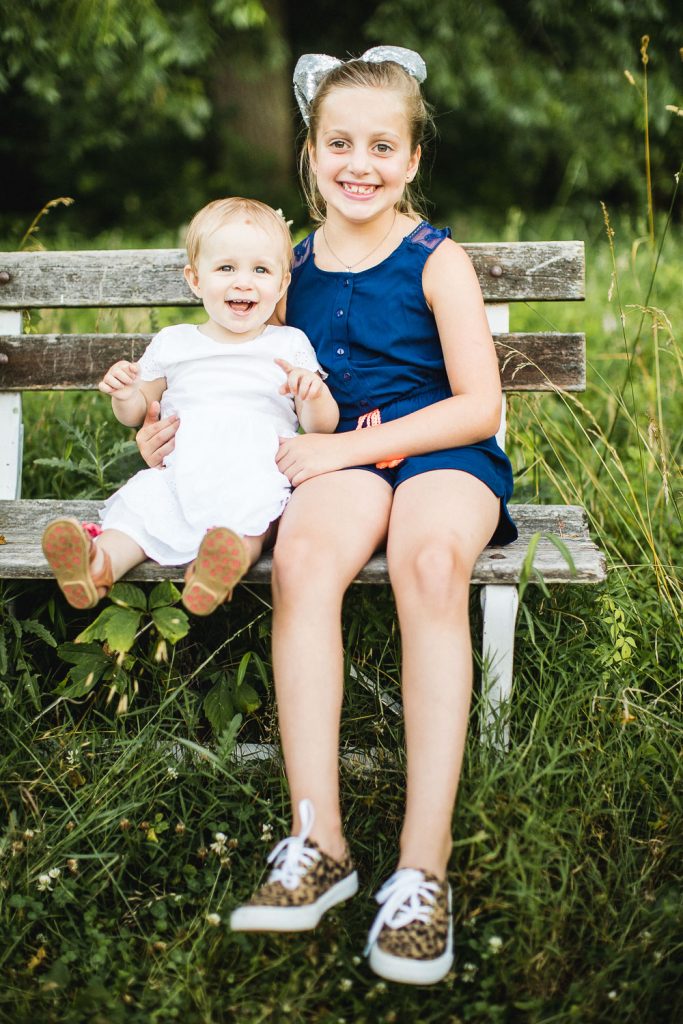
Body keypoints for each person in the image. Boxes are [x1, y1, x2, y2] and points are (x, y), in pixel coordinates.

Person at [136, 48, 517, 985]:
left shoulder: (437, 260)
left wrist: (350, 448)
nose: (360, 162)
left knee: (431, 564)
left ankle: (421, 872)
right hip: (328, 455)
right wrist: (164, 435)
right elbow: (223, 375)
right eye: (338, 142)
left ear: (412, 160)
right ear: (309, 154)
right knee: (304, 561)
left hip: (441, 454)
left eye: (382, 146)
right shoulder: (284, 266)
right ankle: (320, 840)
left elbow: (479, 405)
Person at [41, 197, 339, 615]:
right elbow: (135, 413)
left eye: (261, 270)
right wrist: (127, 393)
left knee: (253, 521)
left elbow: (322, 427)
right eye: (226, 268)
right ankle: (96, 566)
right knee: (141, 509)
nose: (243, 283)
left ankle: (213, 573)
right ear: (195, 280)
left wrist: (312, 394)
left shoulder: (290, 344)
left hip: (255, 470)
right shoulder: (174, 342)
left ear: (283, 284)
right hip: (180, 472)